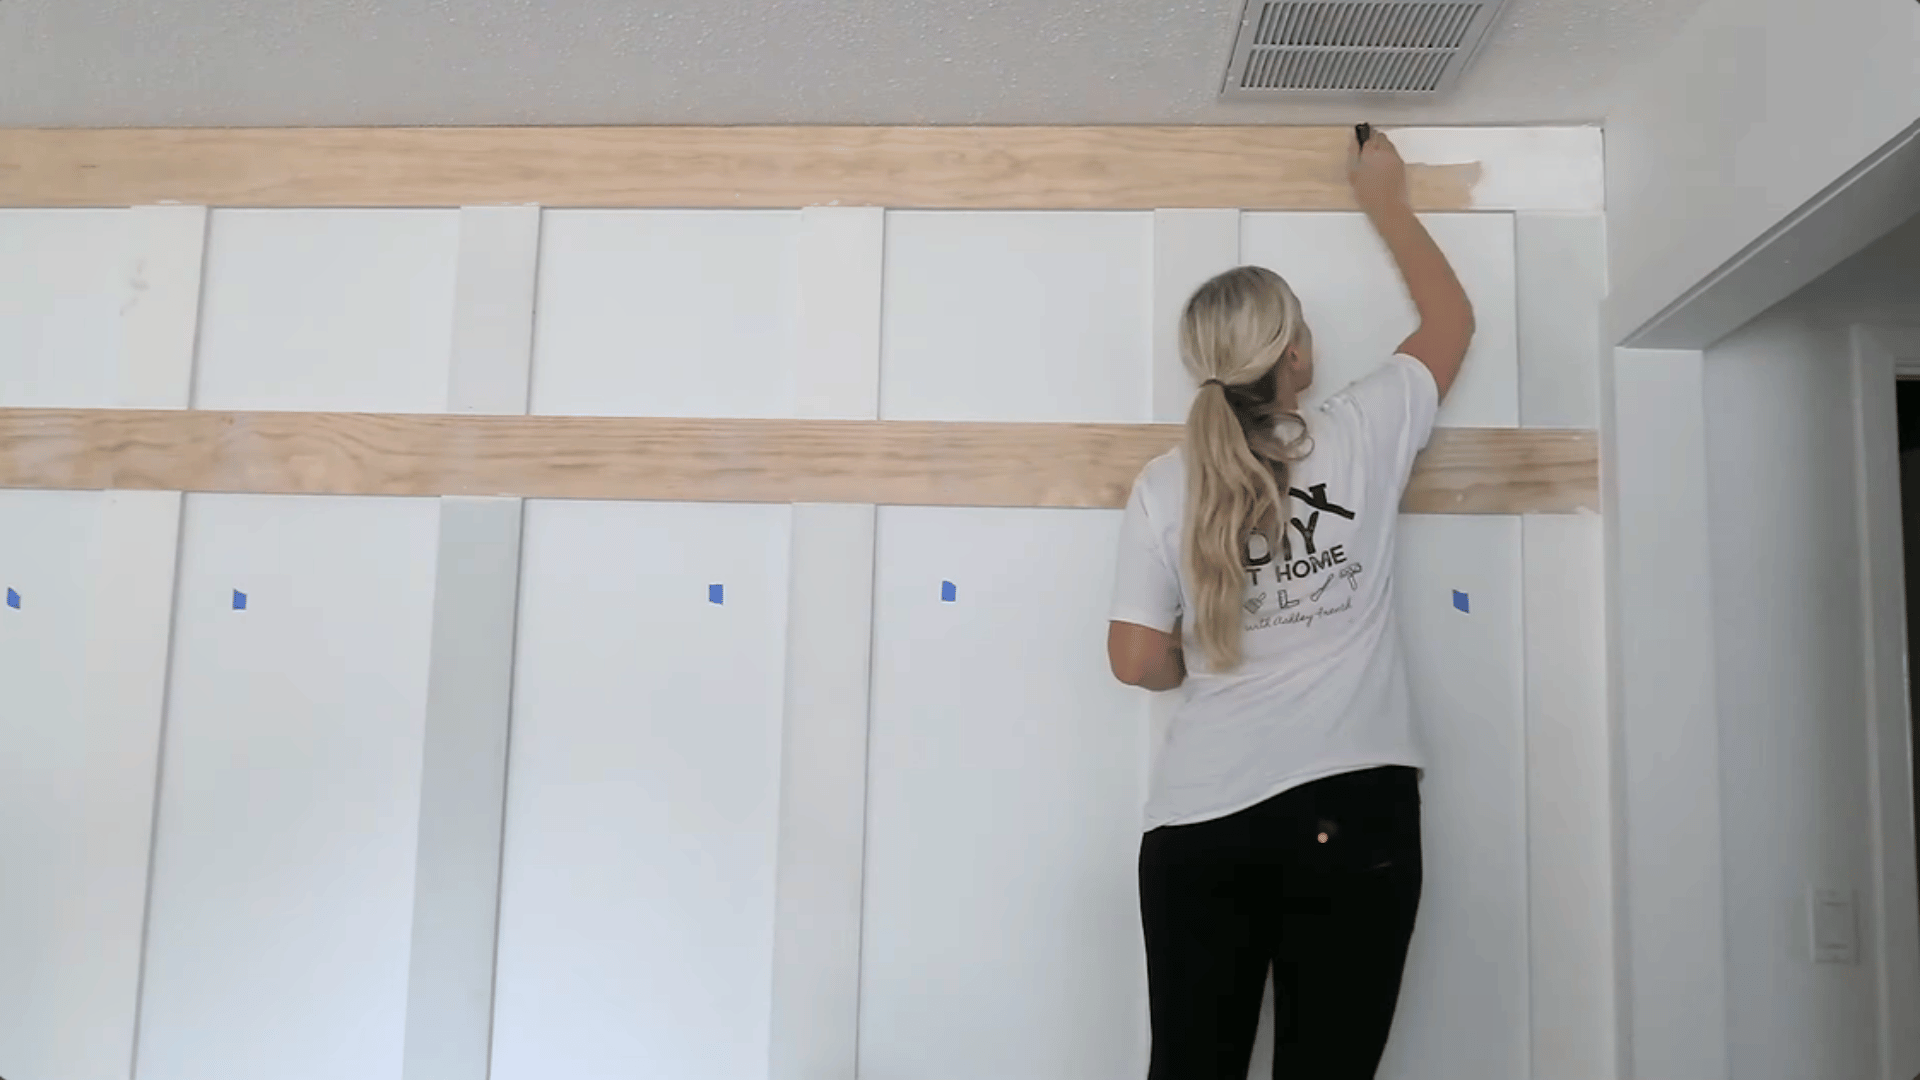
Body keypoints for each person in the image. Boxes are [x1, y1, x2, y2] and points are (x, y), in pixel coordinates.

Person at [1105, 128, 1474, 1079]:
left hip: (1198, 825)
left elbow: (1136, 659)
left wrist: (1206, 646)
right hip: (1352, 809)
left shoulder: (1165, 484)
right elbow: (1450, 321)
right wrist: (1385, 199)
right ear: (1296, 356)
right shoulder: (1363, 430)